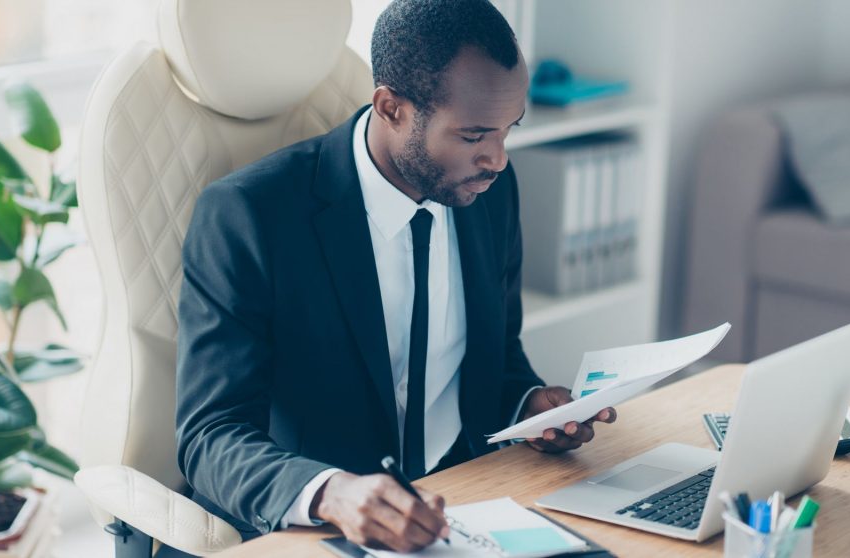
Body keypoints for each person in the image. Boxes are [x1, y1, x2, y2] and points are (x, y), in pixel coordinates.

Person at [175, 0, 617, 553]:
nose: (498, 158)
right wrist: (330, 493)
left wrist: (529, 406)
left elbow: (498, 354)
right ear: (391, 107)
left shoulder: (489, 190)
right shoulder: (248, 215)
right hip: (312, 530)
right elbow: (210, 437)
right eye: (475, 134)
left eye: (508, 130)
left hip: (459, 506)